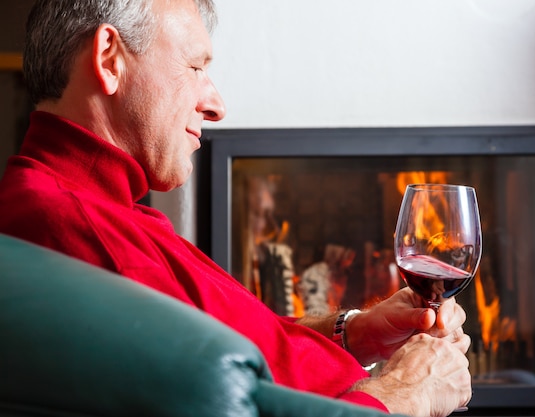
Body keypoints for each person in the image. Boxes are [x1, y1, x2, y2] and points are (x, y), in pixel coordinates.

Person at [0, 1, 472, 416]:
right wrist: (407, 393)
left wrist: (355, 332)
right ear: (109, 59)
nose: (216, 104)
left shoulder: (99, 210)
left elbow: (229, 354)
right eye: (194, 67)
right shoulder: (72, 225)